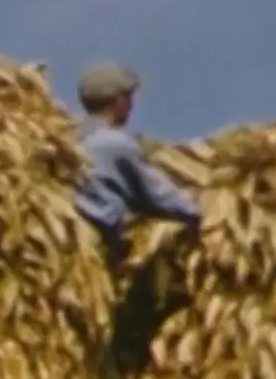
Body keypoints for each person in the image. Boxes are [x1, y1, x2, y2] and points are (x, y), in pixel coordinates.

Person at [73, 62, 201, 266]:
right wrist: (205, 210)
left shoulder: (72, 140)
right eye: (127, 97)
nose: (131, 105)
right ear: (114, 101)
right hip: (101, 245)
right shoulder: (115, 144)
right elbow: (159, 196)